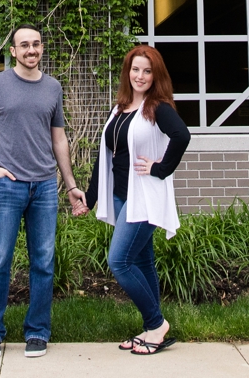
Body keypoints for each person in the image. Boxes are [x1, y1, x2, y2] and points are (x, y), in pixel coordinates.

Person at [0, 25, 85, 360]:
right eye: (24, 45)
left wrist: (72, 185)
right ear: (14, 51)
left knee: (44, 263)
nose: (31, 50)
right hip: (7, 185)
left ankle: (37, 332)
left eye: (35, 44)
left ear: (41, 48)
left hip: (45, 186)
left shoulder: (52, 87)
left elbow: (58, 138)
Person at [76, 44, 191, 356]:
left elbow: (182, 136)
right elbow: (107, 157)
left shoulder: (158, 108)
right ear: (128, 72)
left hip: (146, 198)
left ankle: (157, 324)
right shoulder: (120, 108)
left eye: (147, 70)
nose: (140, 75)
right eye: (135, 69)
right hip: (123, 195)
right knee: (142, 261)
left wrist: (161, 168)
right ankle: (152, 330)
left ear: (156, 76)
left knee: (119, 260)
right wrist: (90, 197)